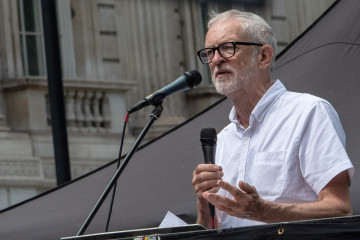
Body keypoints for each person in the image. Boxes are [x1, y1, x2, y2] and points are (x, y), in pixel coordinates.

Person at [192, 10, 354, 229]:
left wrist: (266, 212)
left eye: (228, 48)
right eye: (210, 52)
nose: (217, 59)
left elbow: (340, 209)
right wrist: (204, 203)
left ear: (263, 57)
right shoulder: (222, 140)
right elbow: (211, 229)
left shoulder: (309, 113)